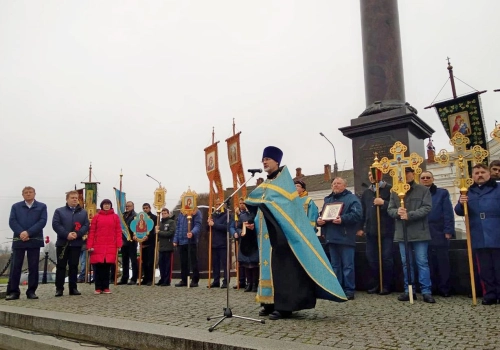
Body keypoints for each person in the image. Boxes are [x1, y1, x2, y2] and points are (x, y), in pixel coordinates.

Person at [246, 146, 346, 321]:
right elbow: (257, 202)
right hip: (266, 236)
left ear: (277, 161)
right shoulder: (267, 184)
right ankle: (269, 303)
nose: (264, 161)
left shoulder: (284, 184)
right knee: (268, 268)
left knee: (283, 270)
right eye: (263, 159)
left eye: (268, 159)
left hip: (283, 236)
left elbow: (284, 208)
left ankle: (284, 306)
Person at [387, 168, 435, 303]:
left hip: (419, 231)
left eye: (407, 173)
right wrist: (397, 211)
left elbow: (426, 207)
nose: (405, 176)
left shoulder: (423, 190)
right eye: (401, 173)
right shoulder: (394, 191)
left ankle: (426, 291)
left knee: (422, 262)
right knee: (406, 263)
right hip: (403, 232)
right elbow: (390, 209)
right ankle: (409, 290)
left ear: (413, 174)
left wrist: (410, 215)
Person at [455, 163, 500, 305]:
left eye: (482, 172)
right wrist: (462, 203)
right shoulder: (467, 191)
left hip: (496, 230)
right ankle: (490, 294)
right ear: (472, 176)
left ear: (488, 173)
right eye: (476, 173)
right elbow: (459, 211)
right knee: (485, 268)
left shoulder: (497, 188)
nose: (479, 175)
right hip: (478, 232)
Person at [318, 177, 363, 300]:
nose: (335, 185)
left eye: (338, 183)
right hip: (331, 237)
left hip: (345, 236)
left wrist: (343, 219)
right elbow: (322, 215)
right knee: (335, 265)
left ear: (344, 186)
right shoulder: (328, 199)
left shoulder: (352, 199)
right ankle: (337, 289)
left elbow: (357, 214)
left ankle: (349, 290)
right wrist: (319, 221)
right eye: (333, 184)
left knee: (348, 265)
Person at [6, 186, 48, 301]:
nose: (28, 194)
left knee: (33, 267)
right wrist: (21, 233)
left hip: (34, 239)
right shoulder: (16, 206)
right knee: (16, 266)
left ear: (35, 194)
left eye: (30, 192)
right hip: (19, 239)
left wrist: (29, 232)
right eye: (26, 192)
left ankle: (31, 291)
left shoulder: (42, 206)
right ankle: (14, 292)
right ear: (22, 195)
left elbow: (42, 221)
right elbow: (12, 221)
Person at [356, 171, 395, 295]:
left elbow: (395, 207)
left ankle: (386, 285)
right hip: (371, 231)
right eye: (369, 175)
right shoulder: (367, 192)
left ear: (381, 175)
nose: (371, 177)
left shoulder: (390, 189)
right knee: (371, 259)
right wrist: (360, 227)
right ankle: (375, 284)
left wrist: (384, 203)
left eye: (374, 174)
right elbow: (363, 211)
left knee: (386, 258)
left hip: (386, 230)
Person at [420, 171, 455, 297]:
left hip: (439, 231)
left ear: (432, 179)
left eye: (428, 177)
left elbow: (448, 212)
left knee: (442, 262)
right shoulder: (417, 194)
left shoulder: (442, 193)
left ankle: (445, 288)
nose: (425, 179)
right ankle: (432, 287)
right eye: (423, 178)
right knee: (427, 262)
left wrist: (448, 230)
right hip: (423, 232)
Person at [52, 190, 90, 297]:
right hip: (62, 243)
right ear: (67, 199)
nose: (74, 199)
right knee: (61, 266)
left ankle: (73, 288)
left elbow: (86, 225)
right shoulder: (59, 211)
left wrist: (77, 234)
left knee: (74, 266)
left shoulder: (83, 212)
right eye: (72, 198)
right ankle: (59, 288)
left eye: (76, 198)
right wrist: (66, 234)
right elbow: (56, 225)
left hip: (76, 243)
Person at [86, 199, 122, 294]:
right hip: (98, 245)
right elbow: (92, 232)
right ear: (102, 206)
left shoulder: (115, 217)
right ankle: (98, 287)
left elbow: (118, 231)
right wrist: (89, 245)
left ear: (111, 205)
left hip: (110, 245)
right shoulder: (96, 217)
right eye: (105, 204)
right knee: (98, 267)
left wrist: (119, 244)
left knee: (107, 267)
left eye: (108, 204)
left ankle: (106, 287)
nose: (106, 206)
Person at [173, 207, 202, 287]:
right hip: (182, 241)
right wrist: (176, 239)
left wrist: (192, 232)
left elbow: (198, 225)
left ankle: (195, 280)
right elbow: (178, 227)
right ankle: (184, 279)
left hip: (191, 240)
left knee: (193, 261)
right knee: (183, 262)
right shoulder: (181, 213)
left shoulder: (196, 211)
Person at [234, 198, 259, 292]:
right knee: (246, 264)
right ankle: (249, 283)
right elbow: (238, 227)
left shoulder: (256, 214)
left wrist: (254, 227)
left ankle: (255, 284)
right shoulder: (242, 215)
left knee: (254, 264)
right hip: (245, 241)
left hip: (254, 241)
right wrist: (241, 232)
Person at [207, 199, 232, 289]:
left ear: (223, 205)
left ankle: (226, 281)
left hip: (223, 243)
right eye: (216, 204)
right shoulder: (213, 215)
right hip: (214, 242)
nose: (218, 206)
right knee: (215, 264)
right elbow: (208, 229)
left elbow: (226, 227)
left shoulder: (227, 215)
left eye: (219, 204)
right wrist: (208, 223)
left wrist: (214, 225)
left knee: (225, 264)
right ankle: (216, 280)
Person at [117, 201, 139, 285]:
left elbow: (136, 228)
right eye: (126, 206)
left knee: (133, 260)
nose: (127, 207)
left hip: (132, 240)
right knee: (124, 260)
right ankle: (124, 278)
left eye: (129, 206)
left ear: (133, 206)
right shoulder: (123, 216)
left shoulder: (135, 216)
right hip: (123, 240)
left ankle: (134, 278)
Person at [156, 208, 176, 286]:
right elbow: (158, 236)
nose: (163, 214)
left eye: (165, 213)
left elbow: (170, 233)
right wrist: (156, 231)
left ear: (168, 213)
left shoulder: (171, 222)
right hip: (161, 247)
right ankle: (162, 278)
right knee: (161, 264)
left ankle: (167, 280)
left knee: (167, 265)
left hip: (168, 246)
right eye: (162, 213)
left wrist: (160, 232)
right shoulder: (160, 223)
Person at [139, 203, 157, 286]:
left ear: (150, 208)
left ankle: (150, 278)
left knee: (150, 262)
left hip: (150, 242)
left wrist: (148, 237)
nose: (145, 209)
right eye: (144, 208)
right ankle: (145, 278)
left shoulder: (154, 218)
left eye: (146, 208)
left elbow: (154, 230)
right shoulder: (140, 218)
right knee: (144, 262)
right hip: (143, 242)